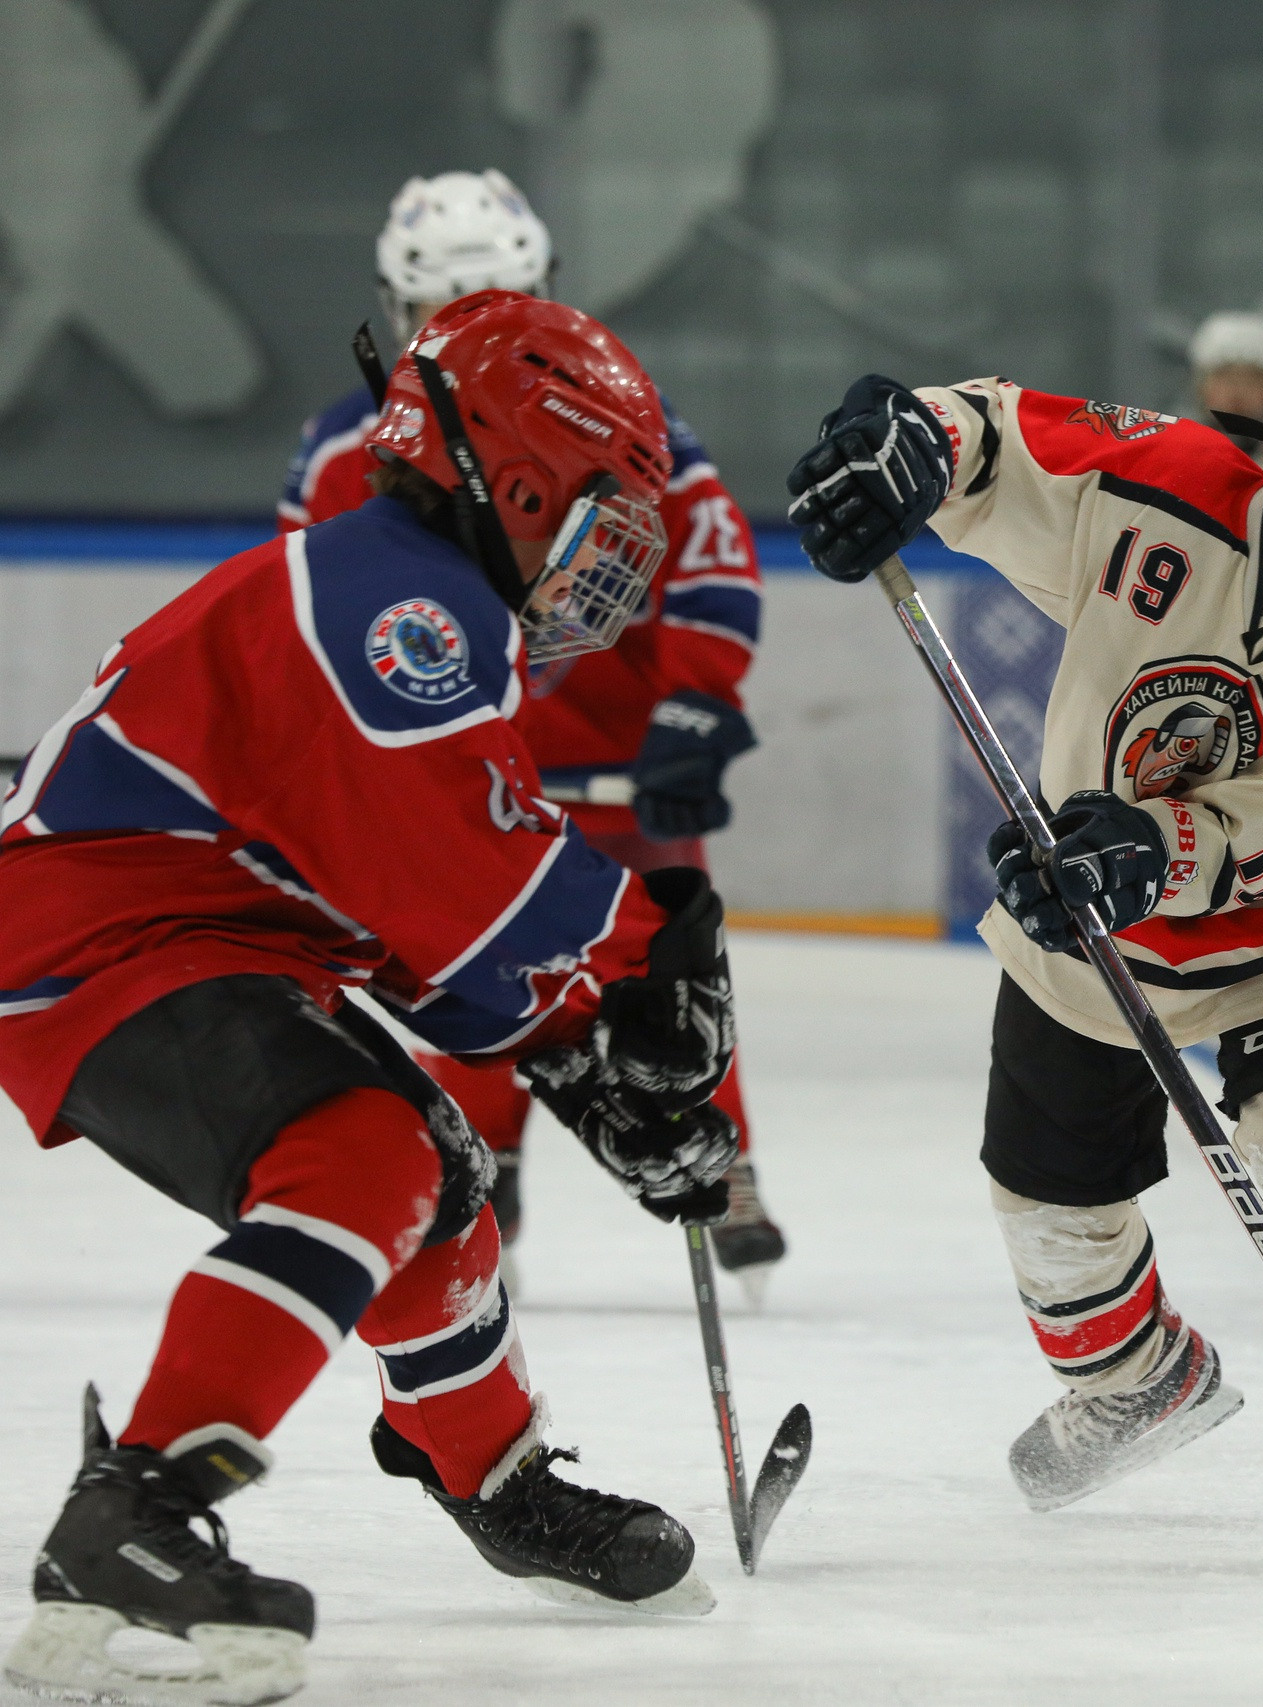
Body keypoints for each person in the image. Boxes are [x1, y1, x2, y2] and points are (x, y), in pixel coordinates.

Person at [0, 293, 739, 1703]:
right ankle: (133, 1510)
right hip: (102, 936)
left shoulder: (408, 591)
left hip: (185, 928)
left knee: (435, 1178)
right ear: (523, 478)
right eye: (598, 514)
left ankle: (494, 1478)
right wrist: (650, 954)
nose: (604, 564)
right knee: (364, 1155)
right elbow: (464, 882)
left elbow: (413, 928)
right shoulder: (401, 605)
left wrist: (585, 1070)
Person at [783, 324, 1263, 1525]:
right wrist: (909, 444)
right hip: (1089, 914)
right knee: (1047, 1196)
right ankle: (1136, 1379)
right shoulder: (1167, 485)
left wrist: (1153, 848)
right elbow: (1001, 440)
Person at [279, 170, 783, 1293]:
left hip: (612, 757)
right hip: (455, 760)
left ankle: (723, 1155)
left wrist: (694, 704)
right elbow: (311, 612)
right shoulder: (343, 450)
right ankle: (487, 1155)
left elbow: (710, 564)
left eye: (499, 303)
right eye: (443, 311)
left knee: (666, 963)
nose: (471, 334)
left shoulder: (619, 412)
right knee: (475, 961)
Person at [1188, 311, 1263, 478]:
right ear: (1202, 387)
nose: (1237, 391)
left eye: (1252, 379)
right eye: (1224, 377)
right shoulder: (1180, 457)